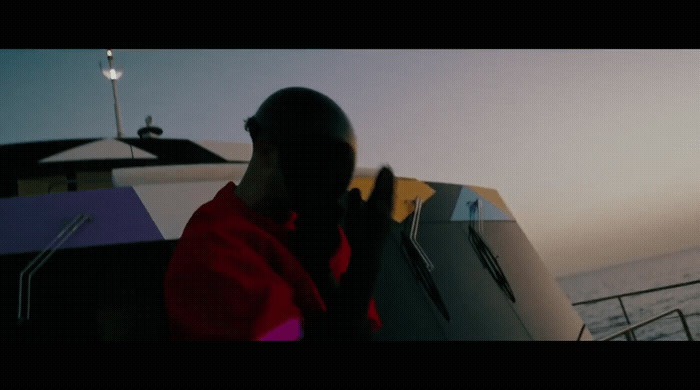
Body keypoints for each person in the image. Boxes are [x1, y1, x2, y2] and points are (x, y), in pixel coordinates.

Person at [164, 87, 395, 340]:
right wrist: (362, 272)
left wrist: (325, 274)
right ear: (266, 153)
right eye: (313, 166)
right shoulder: (214, 243)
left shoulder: (320, 234)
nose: (322, 186)